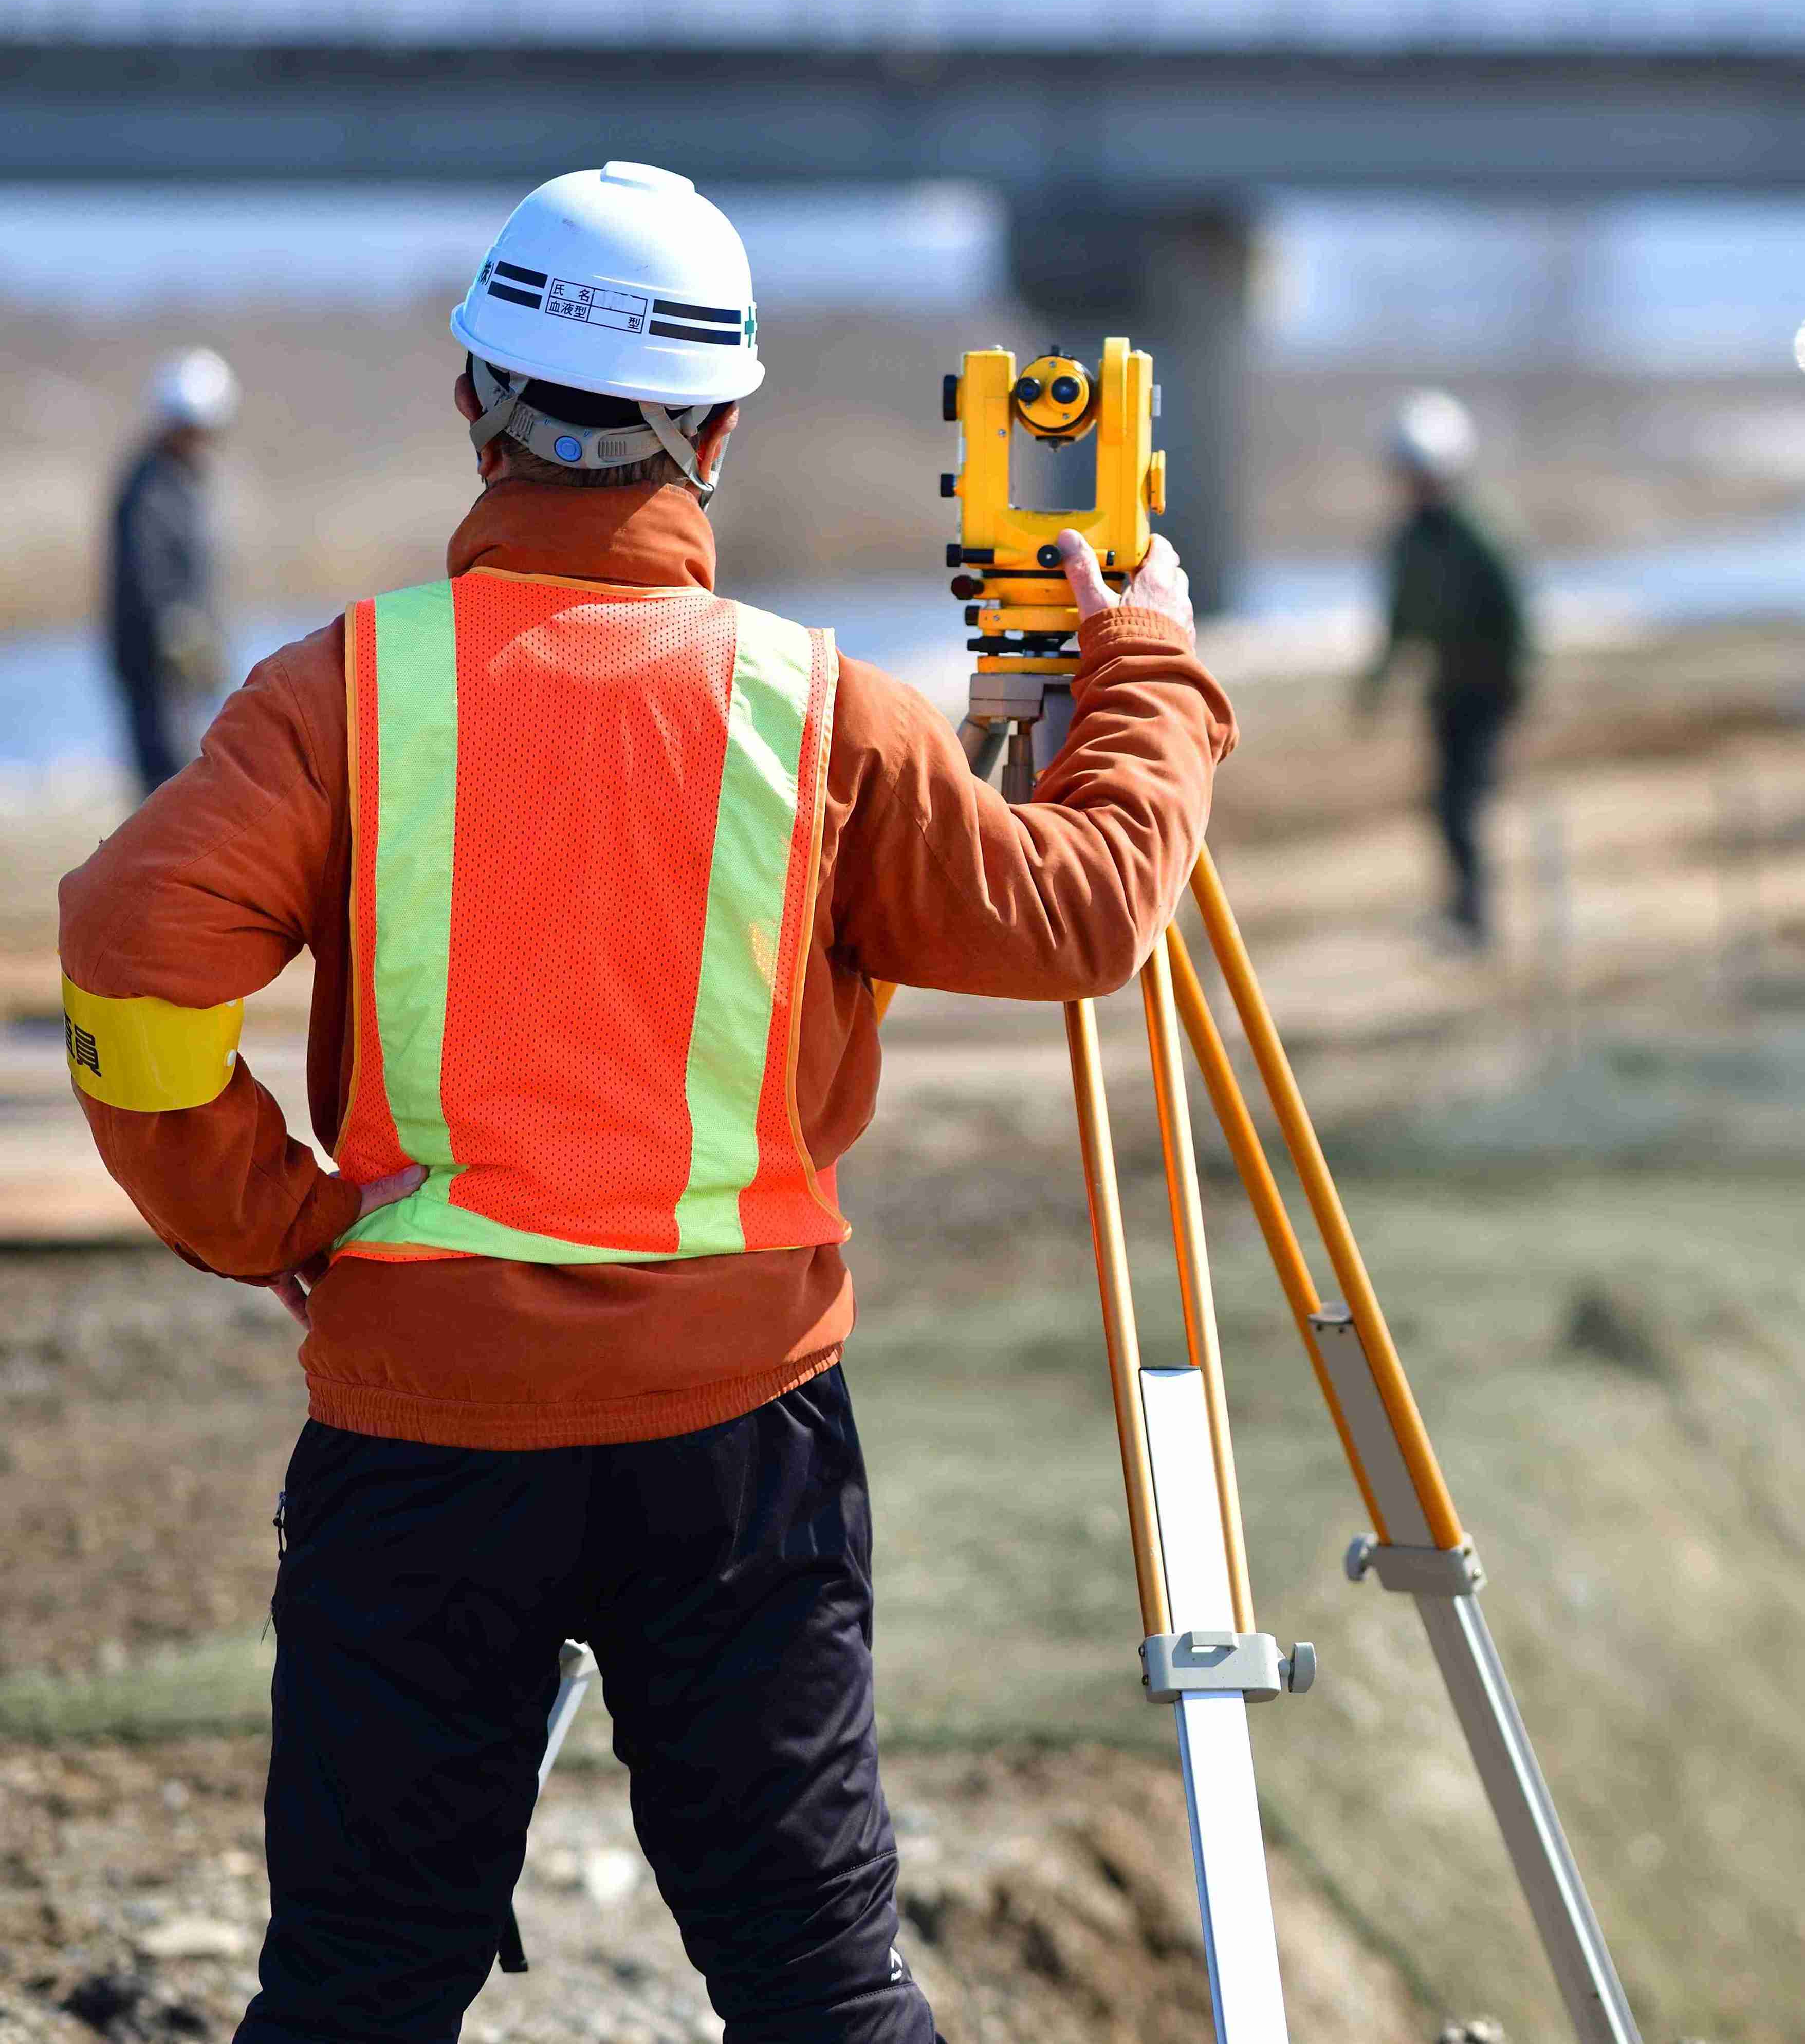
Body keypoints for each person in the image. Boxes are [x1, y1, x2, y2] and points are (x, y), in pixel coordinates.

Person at [54, 160, 1232, 2042]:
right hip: (737, 1448)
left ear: (472, 404)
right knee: (816, 1982)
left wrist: (258, 1210)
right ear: (719, 427)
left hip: (421, 1434)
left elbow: (130, 945)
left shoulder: (339, 694)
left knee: (357, 1982)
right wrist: (1146, 662)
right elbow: (1084, 911)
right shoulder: (815, 705)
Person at [1355, 388, 1530, 949]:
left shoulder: (1479, 534)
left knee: (1462, 804)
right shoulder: (1409, 541)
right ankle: (1463, 912)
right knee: (1446, 805)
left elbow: (1513, 615)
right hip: (1448, 692)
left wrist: (1515, 688)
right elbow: (1400, 621)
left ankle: (1474, 919)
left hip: (1485, 692)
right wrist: (1376, 687)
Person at [105, 347, 236, 795]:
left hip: (189, 674)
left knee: (197, 784)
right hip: (155, 672)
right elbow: (145, 581)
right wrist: (181, 636)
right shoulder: (148, 489)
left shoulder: (187, 483)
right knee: (168, 789)